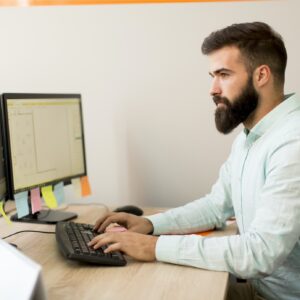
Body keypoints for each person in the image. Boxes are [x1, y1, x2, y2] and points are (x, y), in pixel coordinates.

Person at [88, 22, 300, 300]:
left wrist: (153, 247)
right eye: (212, 75)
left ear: (261, 75)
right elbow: (216, 207)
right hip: (257, 288)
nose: (213, 89)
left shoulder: (292, 142)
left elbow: (260, 254)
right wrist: (150, 226)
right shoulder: (251, 137)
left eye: (223, 74)